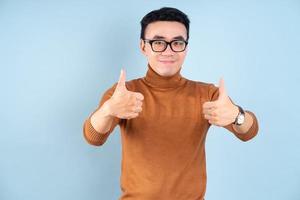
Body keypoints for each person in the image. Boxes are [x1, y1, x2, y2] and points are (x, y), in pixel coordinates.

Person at [83, 7, 259, 200]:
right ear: (143, 46)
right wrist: (108, 110)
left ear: (186, 48)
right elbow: (94, 138)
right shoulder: (124, 93)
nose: (168, 51)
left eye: (177, 42)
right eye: (158, 42)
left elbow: (248, 132)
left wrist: (237, 115)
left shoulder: (207, 94)